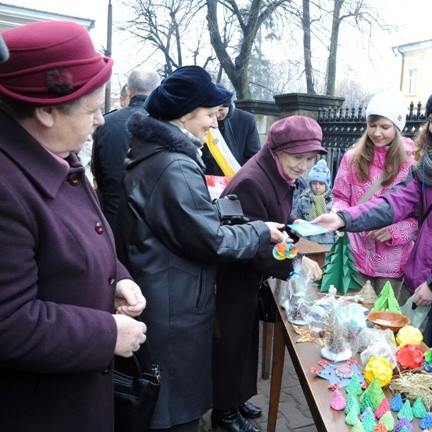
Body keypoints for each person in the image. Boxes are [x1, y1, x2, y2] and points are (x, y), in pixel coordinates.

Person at [116, 65, 287, 432]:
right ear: (184, 113)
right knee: (175, 410)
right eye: (210, 115)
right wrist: (259, 231)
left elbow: (181, 220)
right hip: (175, 304)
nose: (214, 124)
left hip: (165, 292)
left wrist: (221, 210)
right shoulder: (174, 164)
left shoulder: (157, 152)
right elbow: (210, 240)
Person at [0, 21, 147, 431]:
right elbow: (8, 323)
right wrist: (107, 335)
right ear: (46, 111)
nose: (101, 120)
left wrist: (117, 277)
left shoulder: (59, 156)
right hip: (39, 411)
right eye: (91, 110)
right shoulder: (7, 187)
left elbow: (83, 241)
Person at [314, 85, 432, 366]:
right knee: (407, 358)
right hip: (419, 281)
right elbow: (393, 203)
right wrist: (344, 218)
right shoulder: (426, 168)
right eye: (431, 121)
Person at [211, 115, 324, 432]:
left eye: (309, 158)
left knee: (244, 343)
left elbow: (279, 224)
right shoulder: (253, 181)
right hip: (232, 276)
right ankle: (223, 414)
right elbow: (257, 245)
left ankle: (235, 399)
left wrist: (298, 243)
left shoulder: (275, 174)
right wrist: (296, 263)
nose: (303, 166)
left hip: (247, 277)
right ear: (278, 150)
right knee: (230, 346)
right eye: (298, 157)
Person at [331, 89, 417, 294]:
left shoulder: (412, 165)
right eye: (372, 125)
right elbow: (340, 196)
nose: (377, 133)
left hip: (393, 265)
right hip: (354, 255)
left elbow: (420, 217)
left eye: (385, 127)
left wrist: (394, 232)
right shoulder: (352, 158)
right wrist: (339, 217)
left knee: (387, 320)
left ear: (397, 127)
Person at [92, 68, 160, 232]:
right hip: (152, 219)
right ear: (157, 90)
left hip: (113, 215)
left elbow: (97, 170)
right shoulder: (165, 123)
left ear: (128, 90)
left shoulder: (106, 123)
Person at [201, 86, 261, 176]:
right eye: (214, 111)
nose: (217, 115)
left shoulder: (247, 120)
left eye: (221, 110)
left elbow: (253, 156)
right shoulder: (203, 119)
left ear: (229, 105)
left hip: (237, 180)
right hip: (208, 179)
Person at [293, 159, 336, 247]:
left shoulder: (334, 202)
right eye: (314, 183)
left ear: (326, 184)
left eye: (321, 184)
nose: (317, 187)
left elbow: (337, 228)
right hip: (307, 242)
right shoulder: (304, 200)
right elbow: (297, 220)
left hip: (327, 245)